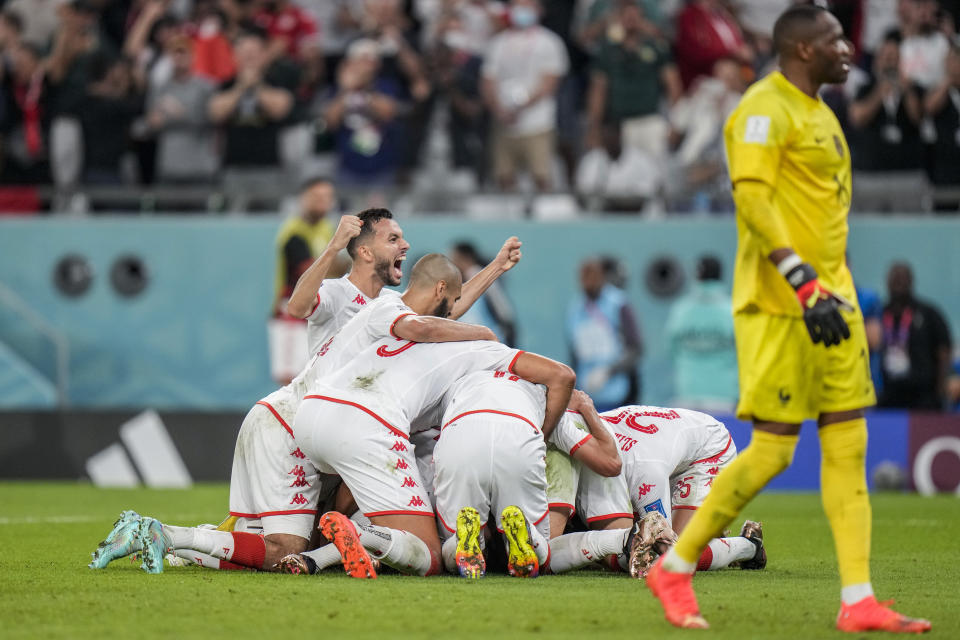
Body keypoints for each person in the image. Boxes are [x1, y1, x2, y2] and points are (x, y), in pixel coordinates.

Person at [646, 6, 931, 633]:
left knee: (848, 443)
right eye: (834, 40)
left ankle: (858, 600)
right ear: (802, 50)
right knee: (774, 451)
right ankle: (675, 565)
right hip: (781, 304)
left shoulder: (824, 114)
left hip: (835, 305)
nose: (847, 48)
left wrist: (831, 289)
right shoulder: (761, 109)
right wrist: (802, 281)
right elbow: (750, 197)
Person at [87, 254, 503, 574]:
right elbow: (430, 323)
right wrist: (485, 336)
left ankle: (161, 540)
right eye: (393, 238)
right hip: (297, 428)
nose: (403, 246)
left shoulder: (389, 313)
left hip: (281, 414)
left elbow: (442, 311)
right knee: (286, 548)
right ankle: (166, 535)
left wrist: (495, 267)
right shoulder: (385, 309)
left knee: (262, 550)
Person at [290, 266, 576, 578]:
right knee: (429, 552)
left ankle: (315, 555)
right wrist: (486, 336)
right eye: (453, 302)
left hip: (310, 413)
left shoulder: (390, 321)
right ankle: (361, 537)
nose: (453, 312)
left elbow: (423, 328)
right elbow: (561, 374)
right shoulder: (481, 350)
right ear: (441, 293)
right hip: (369, 423)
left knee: (357, 492)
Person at [545, 402, 765, 577]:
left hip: (709, 450)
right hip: (653, 443)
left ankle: (749, 546)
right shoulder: (577, 444)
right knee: (621, 542)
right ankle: (707, 526)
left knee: (670, 557)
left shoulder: (642, 471)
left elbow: (653, 543)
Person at [481, 0, 568, 191]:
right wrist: (500, 110)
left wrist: (522, 106)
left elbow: (550, 83)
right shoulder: (498, 43)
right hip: (503, 122)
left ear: (539, 10)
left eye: (528, 6)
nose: (522, 11)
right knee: (504, 177)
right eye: (518, 6)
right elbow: (488, 81)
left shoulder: (550, 42)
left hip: (538, 122)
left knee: (541, 177)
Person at [268, 177, 338, 384]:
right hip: (292, 311)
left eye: (327, 197)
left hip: (317, 311)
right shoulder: (293, 232)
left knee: (316, 376)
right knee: (290, 380)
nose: (323, 202)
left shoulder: (327, 228)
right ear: (303, 199)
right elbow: (308, 270)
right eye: (317, 197)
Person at [567, 257, 642, 412]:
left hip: (619, 395)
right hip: (588, 395)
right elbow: (574, 352)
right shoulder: (576, 309)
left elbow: (635, 349)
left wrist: (609, 371)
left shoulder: (618, 304)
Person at [664, 255, 737, 412]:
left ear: (696, 276)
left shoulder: (681, 310)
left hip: (687, 392)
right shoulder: (732, 310)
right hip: (724, 394)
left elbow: (671, 350)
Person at [878, 262, 953, 410]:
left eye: (903, 278)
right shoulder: (880, 314)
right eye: (894, 278)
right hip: (888, 394)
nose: (898, 282)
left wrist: (942, 386)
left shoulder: (928, 313)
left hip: (924, 396)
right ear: (887, 282)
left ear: (911, 281)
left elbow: (944, 350)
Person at [449, 241, 517, 346]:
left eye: (454, 258)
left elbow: (500, 306)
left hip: (492, 336)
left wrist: (507, 330)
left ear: (465, 257)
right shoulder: (467, 278)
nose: (452, 262)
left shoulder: (479, 275)